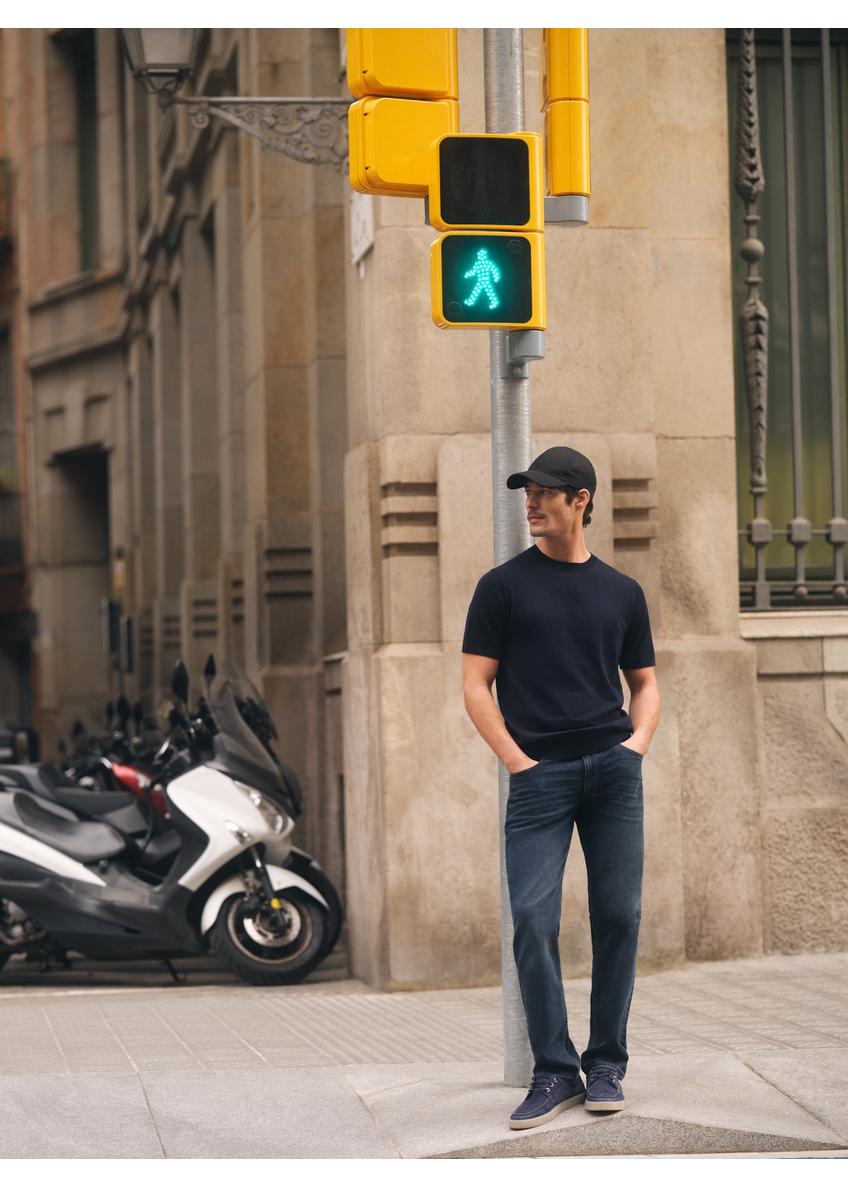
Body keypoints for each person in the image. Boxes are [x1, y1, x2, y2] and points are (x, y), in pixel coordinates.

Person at [461, 445, 660, 1130]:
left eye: (546, 491)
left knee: (619, 920)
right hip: (538, 779)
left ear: (581, 500)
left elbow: (645, 683)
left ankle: (606, 1063)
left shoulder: (622, 592)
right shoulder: (502, 587)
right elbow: (474, 683)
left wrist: (634, 747)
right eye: (528, 491)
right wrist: (518, 761)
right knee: (533, 922)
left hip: (612, 772)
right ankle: (554, 1070)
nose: (532, 502)